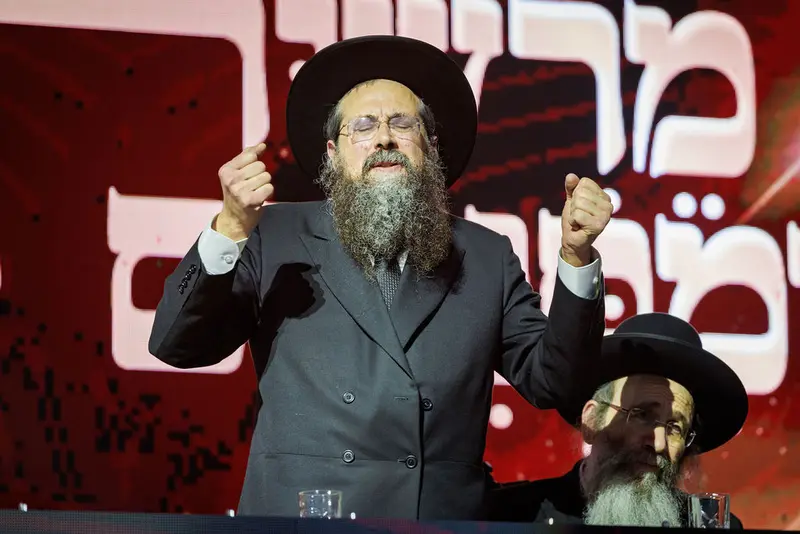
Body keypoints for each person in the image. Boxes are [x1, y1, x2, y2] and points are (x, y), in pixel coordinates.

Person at [148, 35, 613, 519]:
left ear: (431, 147)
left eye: (402, 124)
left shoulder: (485, 255)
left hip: (434, 524)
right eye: (363, 126)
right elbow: (177, 344)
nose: (384, 138)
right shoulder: (276, 235)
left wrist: (576, 256)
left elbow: (555, 383)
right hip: (304, 520)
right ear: (333, 153)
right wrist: (228, 228)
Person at [487, 312, 748, 528]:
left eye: (675, 428)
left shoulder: (709, 524)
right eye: (642, 415)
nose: (658, 443)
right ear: (592, 420)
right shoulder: (515, 516)